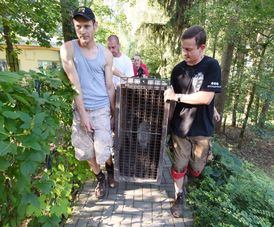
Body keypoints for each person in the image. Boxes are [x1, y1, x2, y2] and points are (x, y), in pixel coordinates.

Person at [164, 25, 221, 218]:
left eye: (189, 49)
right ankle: (179, 196)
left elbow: (205, 97)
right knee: (179, 165)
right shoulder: (177, 70)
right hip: (180, 128)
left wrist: (210, 105)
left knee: (196, 169)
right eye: (183, 48)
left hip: (202, 129)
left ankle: (190, 173)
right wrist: (166, 124)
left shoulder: (212, 66)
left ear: (202, 47)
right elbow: (172, 101)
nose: (184, 52)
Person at [60, 6, 116, 199]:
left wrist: (114, 113)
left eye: (86, 26)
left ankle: (110, 167)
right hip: (81, 108)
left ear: (95, 26)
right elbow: (74, 84)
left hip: (101, 109)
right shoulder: (68, 49)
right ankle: (99, 177)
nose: (82, 31)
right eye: (78, 26)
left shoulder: (106, 54)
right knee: (86, 150)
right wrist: (83, 115)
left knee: (103, 149)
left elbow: (109, 86)